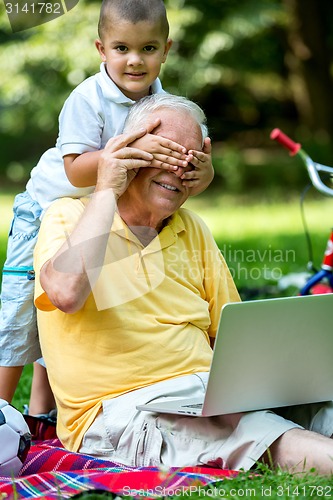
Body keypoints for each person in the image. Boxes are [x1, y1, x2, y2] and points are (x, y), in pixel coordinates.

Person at [34, 93, 333, 474]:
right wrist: (107, 188)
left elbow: (231, 334)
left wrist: (276, 384)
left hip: (209, 394)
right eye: (165, 153)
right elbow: (65, 293)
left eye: (190, 159)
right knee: (265, 434)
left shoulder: (191, 227)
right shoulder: (68, 216)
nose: (177, 169)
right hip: (125, 410)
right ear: (128, 151)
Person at [0, 0, 214, 413]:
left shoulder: (165, 106)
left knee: (68, 316)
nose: (135, 60)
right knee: (22, 308)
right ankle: (0, 409)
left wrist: (202, 175)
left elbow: (181, 172)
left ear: (166, 49)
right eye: (121, 49)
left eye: (148, 49)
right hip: (47, 207)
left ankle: (43, 414)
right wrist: (130, 148)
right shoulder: (87, 98)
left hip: (98, 213)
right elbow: (77, 170)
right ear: (101, 49)